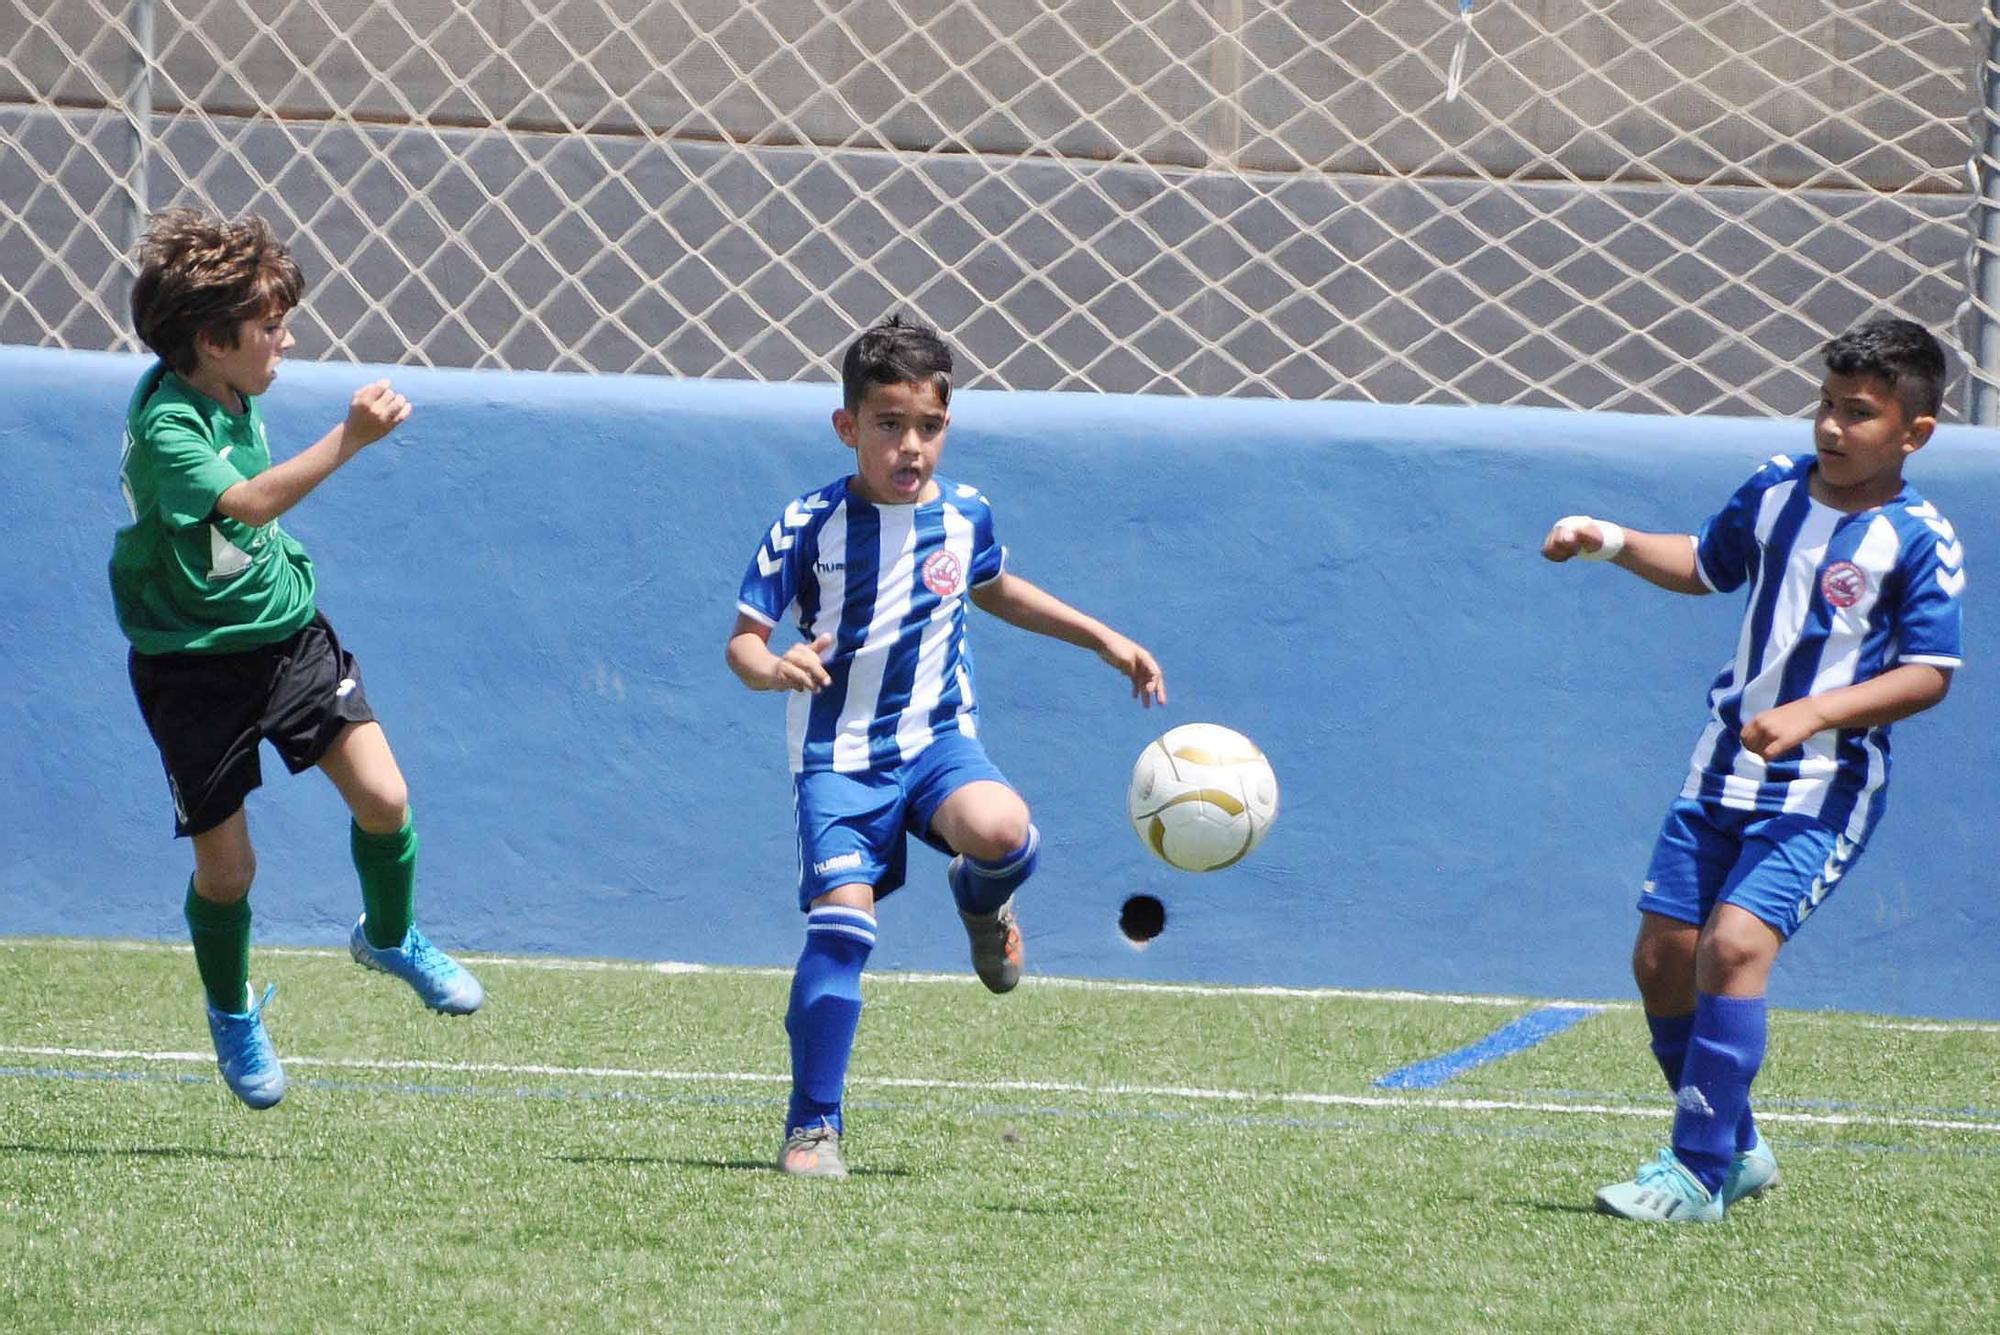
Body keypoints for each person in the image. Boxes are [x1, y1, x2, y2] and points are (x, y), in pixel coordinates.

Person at [1542, 316, 1963, 1222]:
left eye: (1858, 414)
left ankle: (1695, 1172)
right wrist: (1607, 538)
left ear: (1914, 434)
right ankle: (1736, 1147)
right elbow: (1704, 563)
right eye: (1825, 405)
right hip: (1719, 771)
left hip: (1824, 787)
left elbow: (1929, 673)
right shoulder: (1775, 489)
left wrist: (1816, 711)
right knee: (1663, 959)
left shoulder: (1920, 538)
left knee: (1734, 948)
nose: (1830, 429)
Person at [727, 314, 1167, 1179]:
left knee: (1006, 830)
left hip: (936, 742)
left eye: (928, 426)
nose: (910, 446)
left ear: (947, 426)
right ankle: (813, 1125)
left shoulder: (965, 514)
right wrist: (776, 668)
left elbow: (996, 587)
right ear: (847, 427)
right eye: (888, 425)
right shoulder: (809, 523)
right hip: (839, 760)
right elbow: (742, 641)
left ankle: (980, 902)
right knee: (844, 927)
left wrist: (1102, 637)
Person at [111, 207, 484, 1111]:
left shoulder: (235, 388)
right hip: (191, 665)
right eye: (269, 326)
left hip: (286, 637)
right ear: (210, 341)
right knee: (229, 872)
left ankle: (389, 936)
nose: (286, 339)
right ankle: (232, 1007)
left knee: (386, 798)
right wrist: (350, 438)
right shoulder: (169, 426)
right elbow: (242, 504)